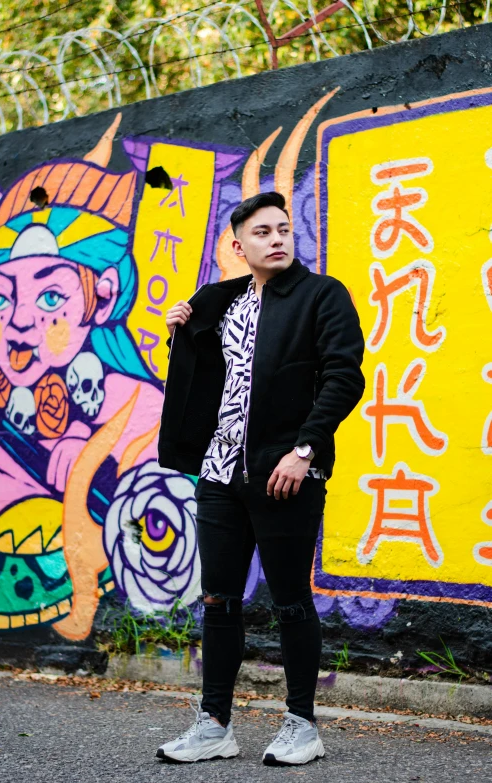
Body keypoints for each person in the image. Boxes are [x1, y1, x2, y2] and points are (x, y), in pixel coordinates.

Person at [157, 191, 365, 765]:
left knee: (292, 600)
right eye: (263, 232)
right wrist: (182, 334)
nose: (277, 239)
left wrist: (305, 449)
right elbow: (207, 387)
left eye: (283, 229)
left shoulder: (322, 296)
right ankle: (214, 726)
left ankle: (302, 725)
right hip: (220, 473)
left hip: (285, 472)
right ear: (238, 245)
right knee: (219, 600)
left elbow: (344, 377)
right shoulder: (218, 302)